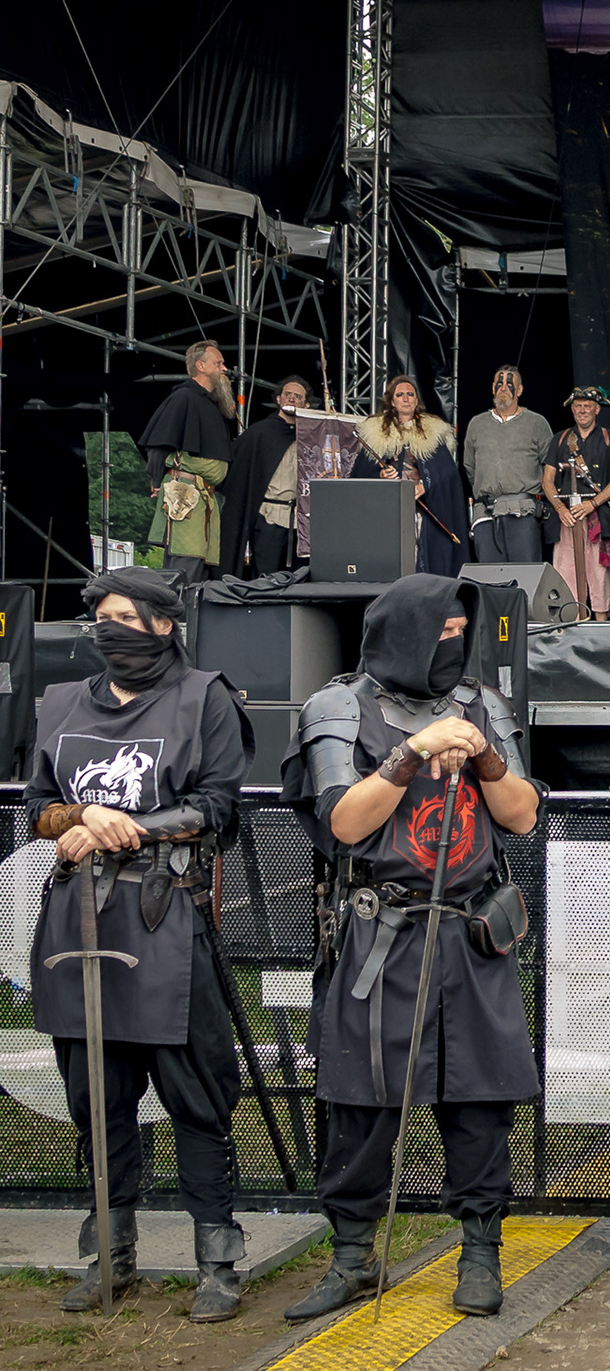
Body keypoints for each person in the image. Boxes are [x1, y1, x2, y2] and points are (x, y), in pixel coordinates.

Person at [282, 573, 543, 1321]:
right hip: (381, 934)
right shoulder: (341, 707)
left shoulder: (482, 705)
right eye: (444, 633)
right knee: (362, 1105)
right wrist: (409, 755)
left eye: (464, 635)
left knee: (480, 1104)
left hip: (470, 934)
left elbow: (521, 817)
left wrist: (485, 757)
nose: (455, 647)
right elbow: (344, 821)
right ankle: (354, 1258)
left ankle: (481, 1254)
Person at [21, 569, 252, 1320]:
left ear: (163, 624)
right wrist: (81, 813)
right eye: (102, 618)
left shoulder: (202, 697)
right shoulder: (61, 704)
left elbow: (217, 807)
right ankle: (110, 1254)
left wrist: (131, 827)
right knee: (97, 1098)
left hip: (165, 916)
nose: (110, 630)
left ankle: (217, 1258)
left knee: (196, 1096)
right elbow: (37, 809)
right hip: (77, 920)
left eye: (126, 617)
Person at [138, 340, 235, 583]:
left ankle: (192, 619)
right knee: (185, 563)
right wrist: (156, 480)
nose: (225, 369)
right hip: (185, 493)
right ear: (201, 366)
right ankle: (174, 620)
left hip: (206, 497)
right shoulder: (184, 397)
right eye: (219, 363)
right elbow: (159, 443)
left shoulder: (211, 403)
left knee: (201, 566)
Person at [351, 374, 468, 577]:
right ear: (392, 401)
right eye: (400, 394)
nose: (406, 398)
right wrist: (381, 475)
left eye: (410, 394)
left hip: (422, 511)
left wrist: (425, 486)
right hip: (387, 514)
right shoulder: (376, 433)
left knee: (421, 562)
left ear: (416, 400)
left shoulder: (432, 432)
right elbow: (361, 475)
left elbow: (447, 474)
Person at [218, 374, 309, 578]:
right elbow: (234, 467)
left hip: (299, 522)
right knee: (266, 577)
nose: (292, 399)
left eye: (298, 396)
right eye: (288, 394)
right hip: (269, 516)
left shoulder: (310, 437)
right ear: (278, 399)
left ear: (306, 404)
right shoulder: (261, 432)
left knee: (298, 578)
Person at [463, 365, 553, 564]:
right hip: (486, 512)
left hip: (523, 511)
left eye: (510, 384)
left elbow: (550, 467)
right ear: (492, 387)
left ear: (519, 390)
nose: (504, 387)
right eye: (499, 383)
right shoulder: (477, 424)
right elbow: (470, 467)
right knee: (489, 579)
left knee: (524, 575)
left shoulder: (536, 423)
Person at [542, 387, 610, 620]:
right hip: (567, 517)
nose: (582, 410)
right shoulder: (561, 439)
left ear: (596, 409)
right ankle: (573, 621)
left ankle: (601, 624)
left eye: (587, 406)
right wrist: (560, 509)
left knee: (600, 572)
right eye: (578, 406)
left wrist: (593, 503)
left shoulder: (609, 438)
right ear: (572, 410)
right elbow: (547, 481)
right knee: (566, 571)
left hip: (598, 516)